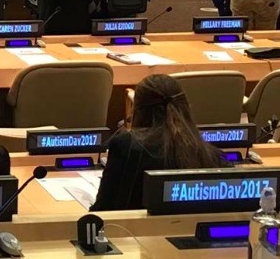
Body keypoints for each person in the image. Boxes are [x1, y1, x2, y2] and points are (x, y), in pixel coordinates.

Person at [90, 75, 230, 211]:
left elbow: (102, 211)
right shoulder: (213, 155)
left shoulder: (125, 145)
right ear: (186, 106)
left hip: (134, 232)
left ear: (137, 110)